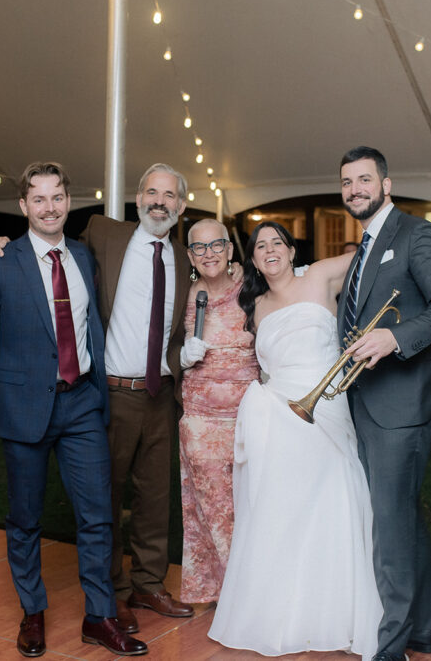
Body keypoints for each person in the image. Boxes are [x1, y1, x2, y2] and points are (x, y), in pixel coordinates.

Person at [0, 163, 194, 633]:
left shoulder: (181, 255)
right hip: (100, 393)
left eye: (169, 195)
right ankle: (90, 598)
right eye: (151, 192)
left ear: (180, 204)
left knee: (145, 499)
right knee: (91, 501)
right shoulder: (102, 236)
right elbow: (39, 243)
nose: (159, 202)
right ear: (138, 196)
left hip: (147, 394)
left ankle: (138, 590)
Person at [0, 161, 147, 657]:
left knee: (98, 515)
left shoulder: (83, 257)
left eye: (57, 197)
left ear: (69, 201)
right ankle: (33, 612)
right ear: (23, 205)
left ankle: (99, 617)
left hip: (82, 404)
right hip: (22, 409)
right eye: (38, 199)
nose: (49, 207)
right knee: (25, 519)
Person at [208, 221, 382, 656]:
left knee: (333, 500)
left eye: (277, 243)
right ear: (252, 259)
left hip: (327, 406)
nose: (270, 250)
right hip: (278, 414)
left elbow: (372, 252)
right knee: (284, 510)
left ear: (290, 250)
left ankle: (335, 613)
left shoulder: (319, 275)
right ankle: (283, 614)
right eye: (260, 246)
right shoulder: (254, 305)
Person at [338, 146, 431, 660]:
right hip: (370, 401)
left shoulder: (417, 234)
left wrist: (394, 338)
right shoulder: (365, 246)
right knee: (401, 516)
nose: (355, 190)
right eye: (347, 182)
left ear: (386, 185)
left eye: (364, 180)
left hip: (405, 403)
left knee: (389, 526)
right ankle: (424, 628)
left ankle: (389, 649)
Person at [177, 219, 259, 604]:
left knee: (249, 505)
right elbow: (160, 342)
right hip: (200, 419)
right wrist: (180, 356)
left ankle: (253, 588)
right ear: (190, 255)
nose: (208, 254)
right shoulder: (182, 293)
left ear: (229, 249)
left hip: (248, 416)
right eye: (199, 247)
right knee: (212, 507)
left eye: (216, 246)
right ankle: (231, 595)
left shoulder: (252, 288)